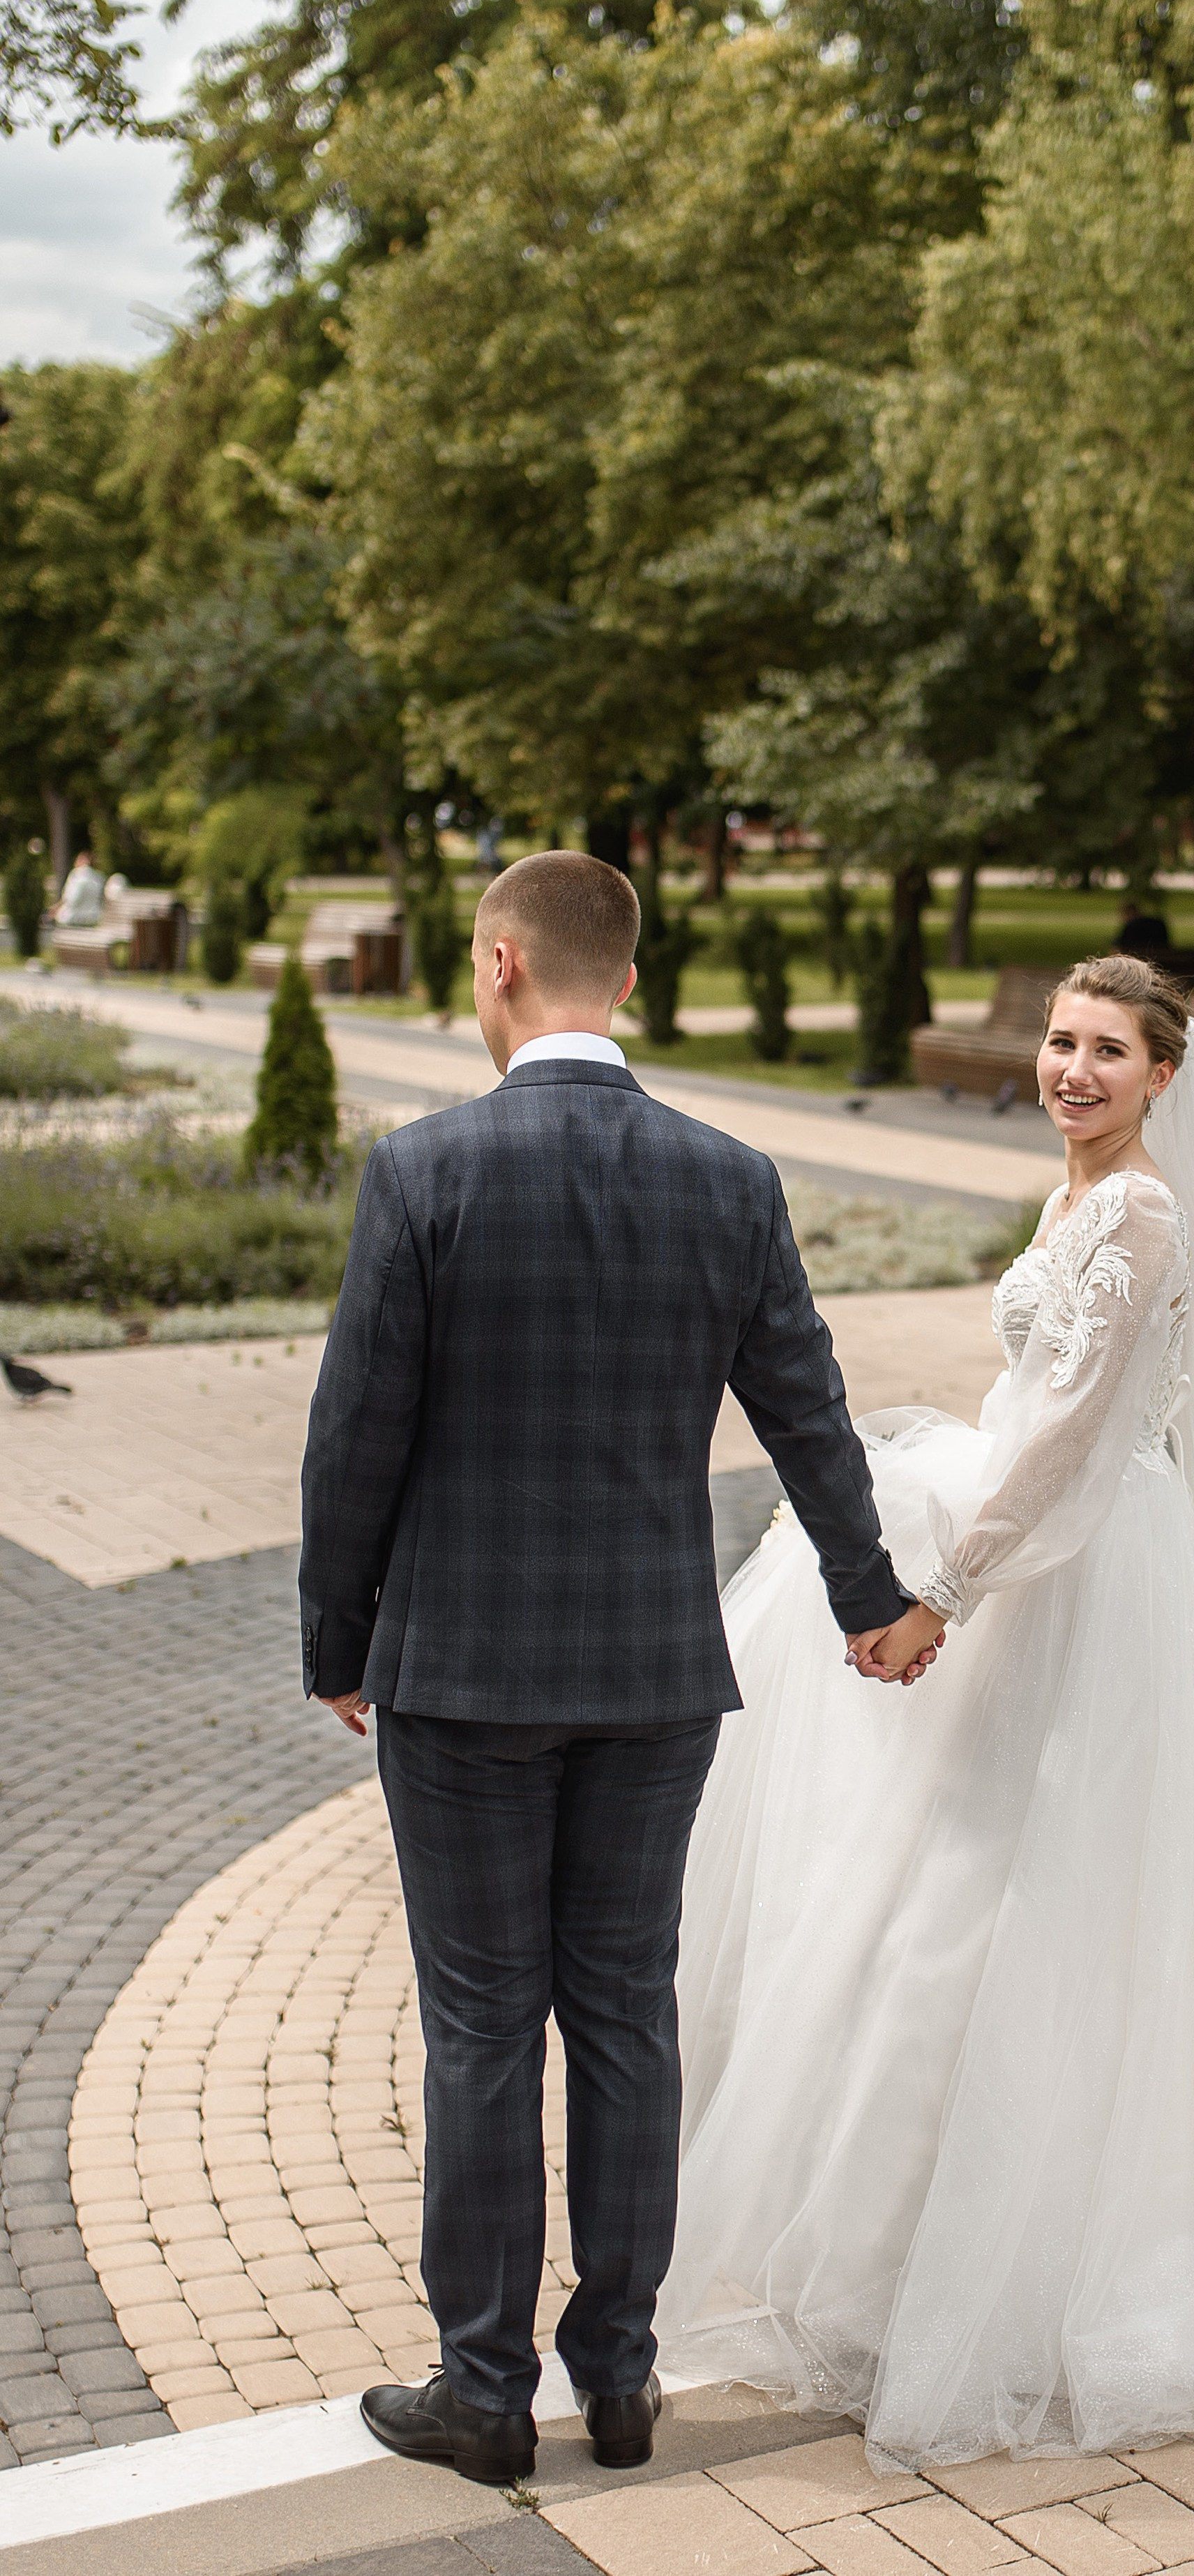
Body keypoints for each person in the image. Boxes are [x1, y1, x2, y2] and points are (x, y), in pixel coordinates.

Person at [656, 954, 1194, 2467]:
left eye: (1105, 1051)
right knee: (962, 1907)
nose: (1070, 1070)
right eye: (1058, 1042)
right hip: (1047, 1546)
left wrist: (946, 1588)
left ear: (1161, 1079)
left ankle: (1035, 2274)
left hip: (1090, 1577)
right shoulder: (1077, 1198)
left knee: (1032, 1903)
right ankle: (909, 2256)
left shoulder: (1136, 1214)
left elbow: (1063, 1438)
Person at [297, 852, 927, 2487]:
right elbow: (809, 1407)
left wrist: (336, 1637)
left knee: (484, 2027)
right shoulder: (730, 1179)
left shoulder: (425, 1171)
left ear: (502, 964)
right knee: (628, 2015)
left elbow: (355, 1433)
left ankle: (485, 2390)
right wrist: (873, 1595)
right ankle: (624, 2373)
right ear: (622, 983)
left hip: (460, 1674)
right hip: (656, 1672)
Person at [53, 850, 104, 927]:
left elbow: (72, 899)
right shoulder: (99, 877)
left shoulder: (77, 875)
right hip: (93, 918)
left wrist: (56, 909)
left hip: (72, 918)